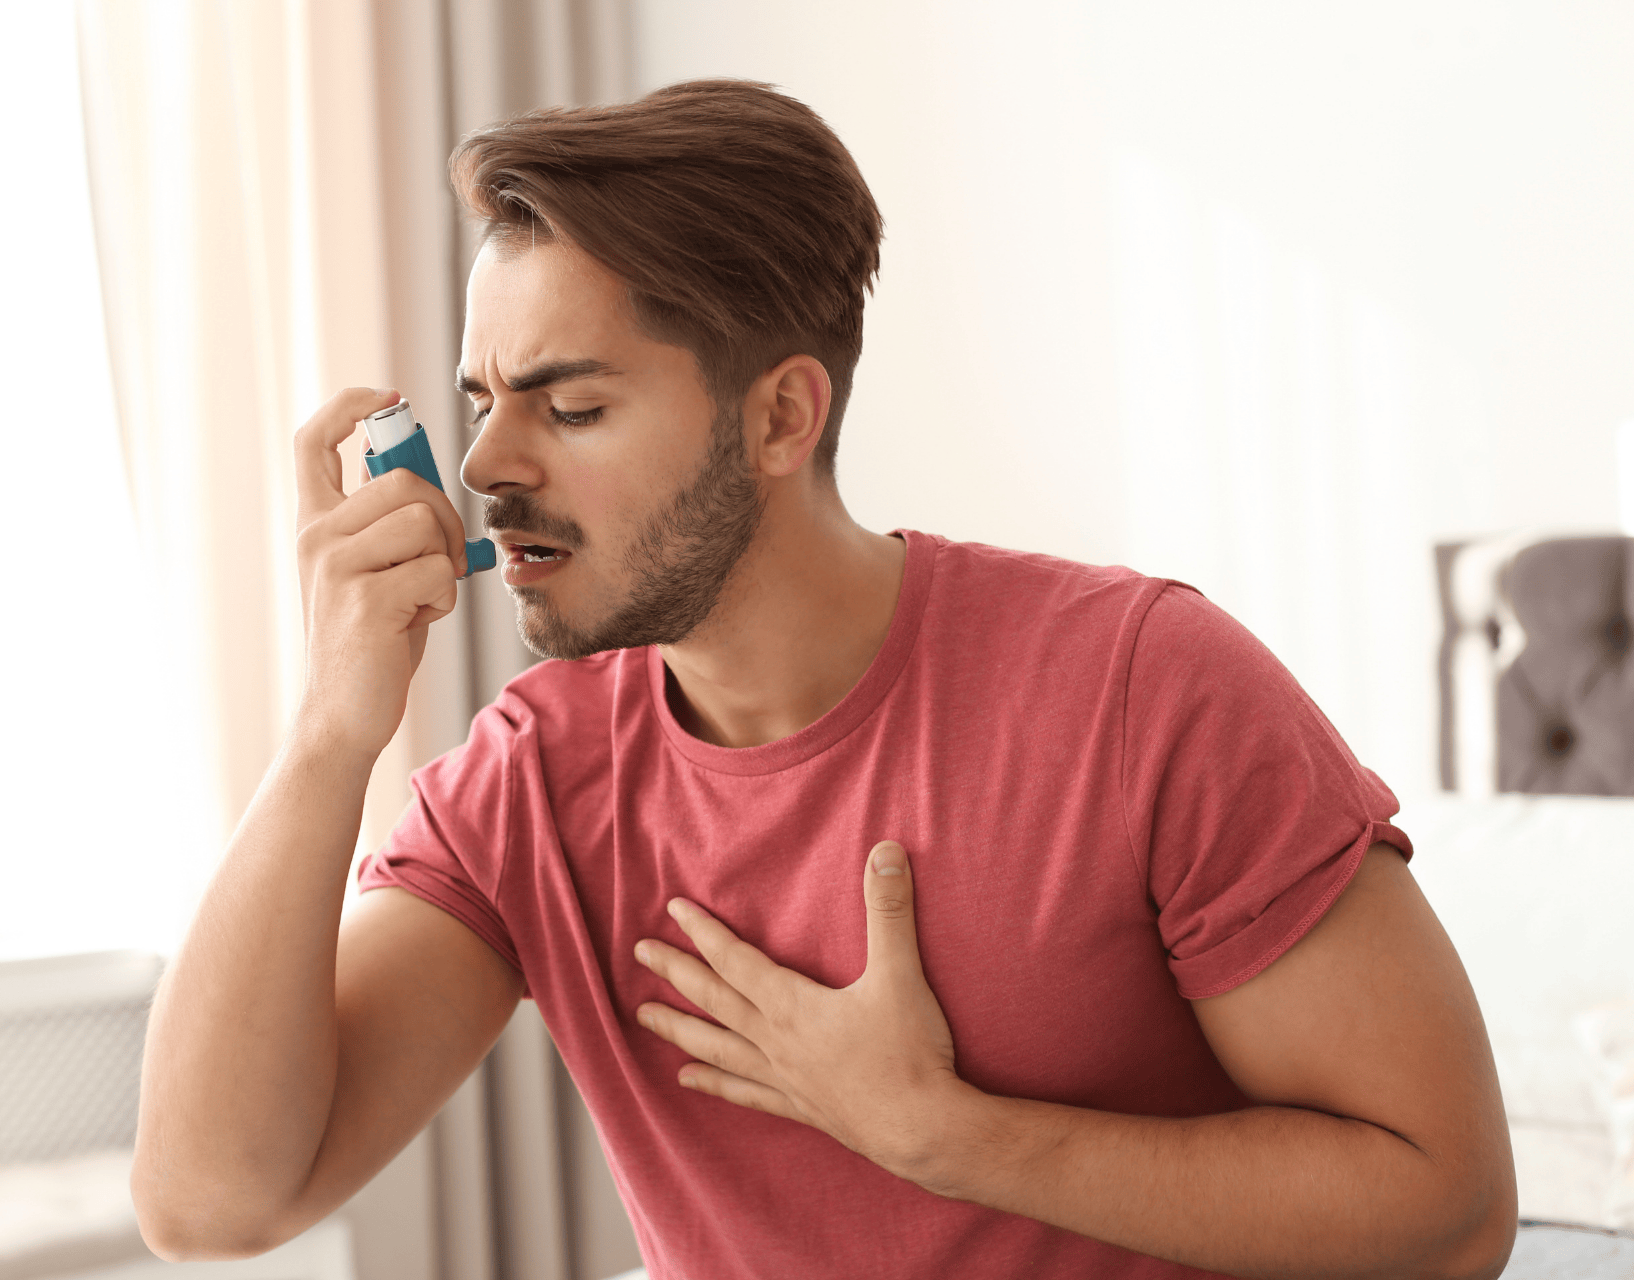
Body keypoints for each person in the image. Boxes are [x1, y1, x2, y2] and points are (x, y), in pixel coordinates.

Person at [131, 80, 1517, 1279]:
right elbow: (210, 1205)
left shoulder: (1140, 686)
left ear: (783, 414)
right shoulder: (533, 780)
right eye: (484, 398)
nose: (491, 466)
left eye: (571, 405)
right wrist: (327, 738)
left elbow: (1447, 1209)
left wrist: (952, 1138)